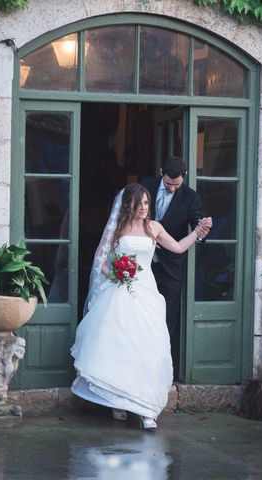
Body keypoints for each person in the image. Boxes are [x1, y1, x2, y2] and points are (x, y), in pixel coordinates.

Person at [70, 184, 211, 430]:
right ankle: (118, 400)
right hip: (119, 293)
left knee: (148, 348)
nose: (145, 208)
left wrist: (198, 232)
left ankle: (147, 410)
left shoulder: (154, 228)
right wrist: (114, 274)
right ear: (129, 205)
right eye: (140, 204)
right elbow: (100, 261)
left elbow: (177, 248)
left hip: (146, 294)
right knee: (120, 346)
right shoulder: (118, 228)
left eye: (147, 203)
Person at [140, 157, 211, 372]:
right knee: (140, 315)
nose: (172, 188)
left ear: (184, 177)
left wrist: (202, 231)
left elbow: (199, 229)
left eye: (177, 185)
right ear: (161, 172)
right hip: (142, 264)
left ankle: (160, 367)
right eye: (169, 183)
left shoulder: (191, 198)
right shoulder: (146, 185)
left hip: (170, 267)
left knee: (167, 316)